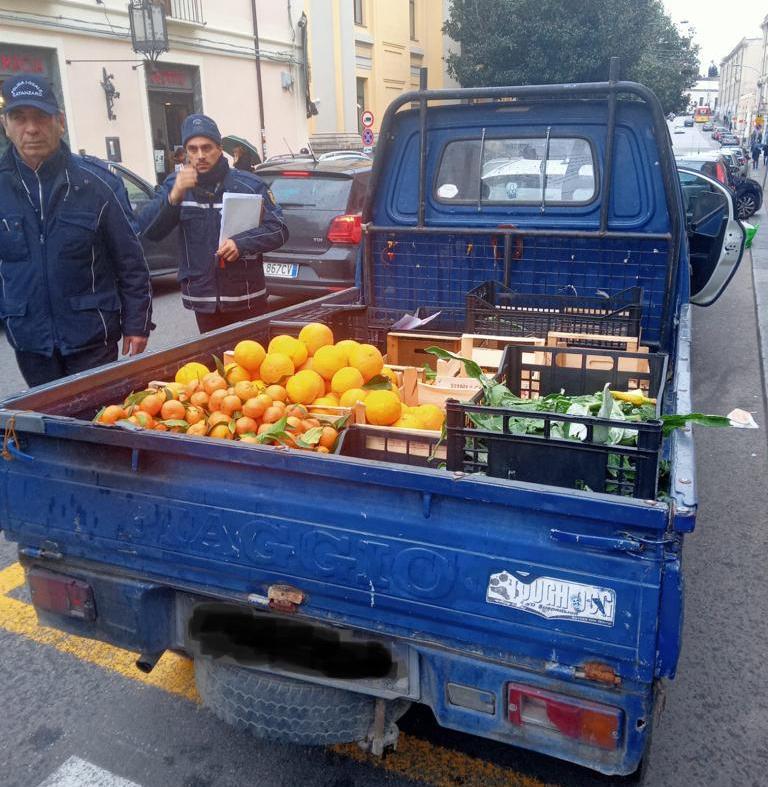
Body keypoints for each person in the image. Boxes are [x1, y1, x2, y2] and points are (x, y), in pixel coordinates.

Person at [0, 73, 152, 388]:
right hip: (30, 342)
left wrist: (137, 324)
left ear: (60, 122)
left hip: (91, 338)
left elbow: (131, 263)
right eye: (19, 118)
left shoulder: (97, 186)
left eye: (41, 117)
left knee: (96, 425)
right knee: (50, 426)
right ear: (5, 124)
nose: (31, 129)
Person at [139, 114, 288, 333]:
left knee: (251, 362)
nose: (200, 155)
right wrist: (174, 197)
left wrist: (241, 243)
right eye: (193, 149)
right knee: (214, 365)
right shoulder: (175, 185)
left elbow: (279, 229)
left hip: (246, 297)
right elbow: (149, 231)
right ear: (186, 152)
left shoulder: (248, 185)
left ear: (219, 148)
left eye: (207, 147)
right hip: (204, 300)